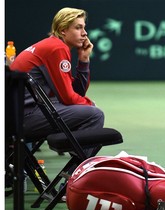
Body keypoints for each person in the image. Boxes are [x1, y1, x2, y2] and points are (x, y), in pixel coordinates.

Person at [10, 7, 104, 158]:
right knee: (95, 115)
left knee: (88, 110)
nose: (85, 33)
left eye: (84, 28)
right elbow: (68, 98)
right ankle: (77, 173)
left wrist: (84, 60)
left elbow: (75, 93)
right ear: (63, 31)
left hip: (17, 115)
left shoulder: (51, 45)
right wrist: (90, 104)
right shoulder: (56, 48)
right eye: (78, 28)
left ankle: (75, 166)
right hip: (24, 118)